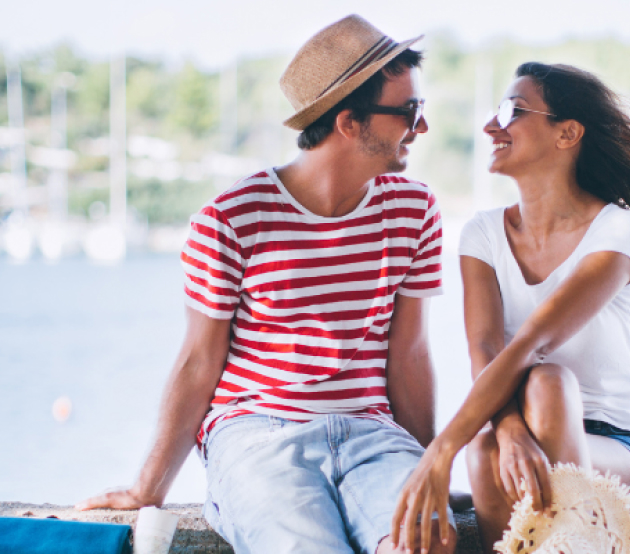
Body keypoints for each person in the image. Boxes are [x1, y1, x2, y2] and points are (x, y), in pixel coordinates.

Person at [78, 15, 456, 554]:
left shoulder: (414, 210)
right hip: (257, 435)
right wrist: (148, 489)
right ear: (350, 123)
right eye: (409, 112)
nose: (420, 128)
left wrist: (424, 469)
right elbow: (197, 361)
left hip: (374, 436)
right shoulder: (232, 219)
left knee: (423, 542)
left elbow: (411, 354)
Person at [389, 63, 630, 554]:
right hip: (518, 427)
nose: (491, 126)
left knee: (547, 383)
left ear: (567, 133)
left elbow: (533, 342)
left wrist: (441, 451)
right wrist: (504, 428)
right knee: (486, 447)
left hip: (618, 446)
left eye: (512, 111)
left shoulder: (618, 230)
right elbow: (484, 346)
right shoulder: (482, 234)